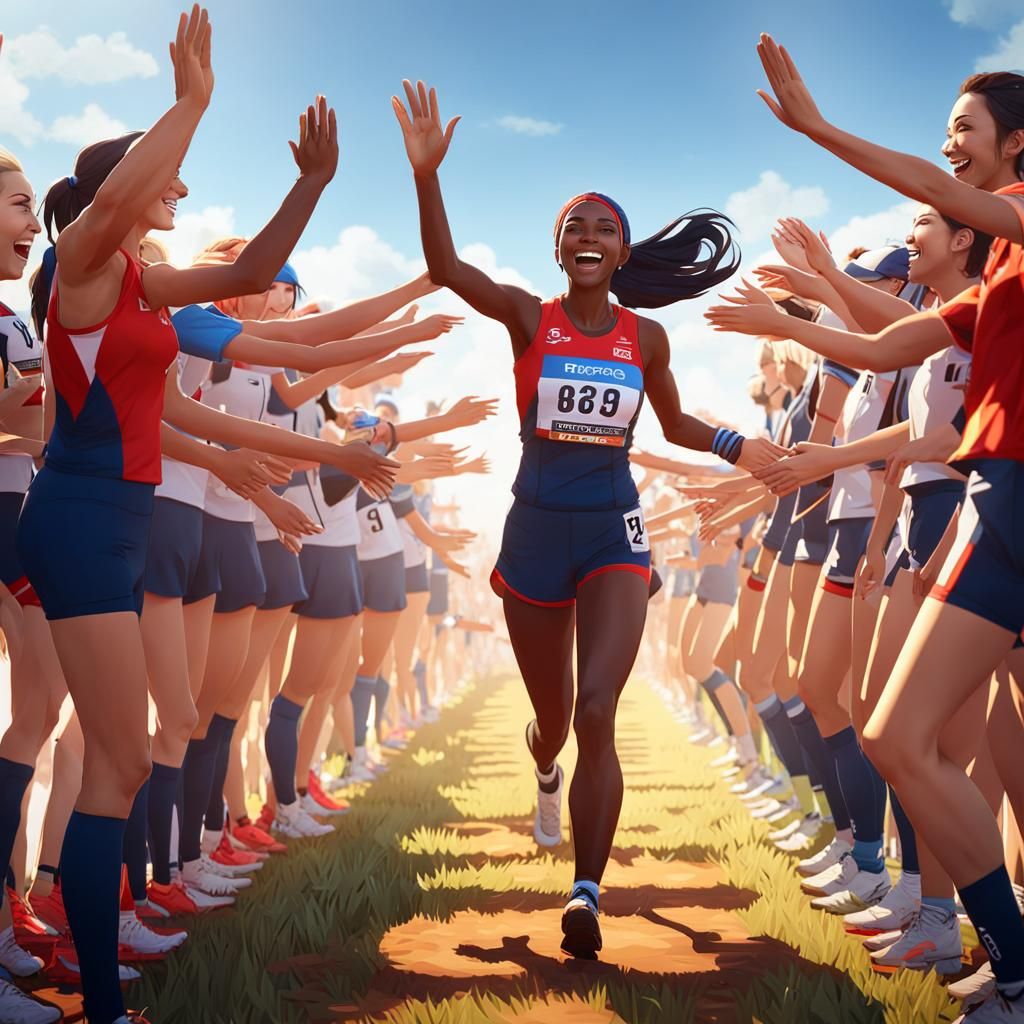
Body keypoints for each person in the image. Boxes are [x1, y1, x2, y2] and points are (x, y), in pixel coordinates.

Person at [392, 77, 786, 960]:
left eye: (604, 227)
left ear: (622, 250)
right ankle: (543, 770)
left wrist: (736, 443)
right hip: (534, 532)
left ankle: (584, 893)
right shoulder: (527, 319)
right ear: (558, 247)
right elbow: (450, 272)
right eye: (576, 226)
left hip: (615, 531)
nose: (590, 238)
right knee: (557, 718)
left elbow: (676, 421)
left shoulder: (645, 339)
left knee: (602, 707)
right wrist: (427, 177)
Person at [707, 39, 1024, 1020]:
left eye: (965, 130)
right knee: (924, 738)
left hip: (1004, 493)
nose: (949, 147)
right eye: (946, 133)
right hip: (996, 495)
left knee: (901, 732)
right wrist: (791, 325)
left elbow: (939, 192)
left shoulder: (1016, 213)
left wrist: (816, 128)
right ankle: (1007, 958)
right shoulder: (1003, 254)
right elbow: (889, 337)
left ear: (1016, 143)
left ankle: (1007, 960)